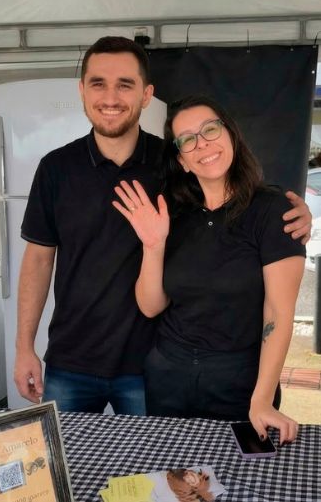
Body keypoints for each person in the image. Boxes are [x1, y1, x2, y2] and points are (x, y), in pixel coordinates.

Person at [13, 37, 312, 415]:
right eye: (98, 83)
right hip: (71, 360)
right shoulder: (56, 169)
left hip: (149, 362)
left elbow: (228, 204)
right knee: (71, 467)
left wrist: (295, 215)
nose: (110, 97)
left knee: (154, 471)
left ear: (146, 95)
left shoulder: (173, 164)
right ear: (82, 91)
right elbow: (38, 260)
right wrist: (24, 347)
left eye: (125, 84)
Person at [113, 95, 304, 444]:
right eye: (187, 139)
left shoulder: (272, 211)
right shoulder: (175, 215)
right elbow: (150, 305)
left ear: (230, 135)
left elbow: (278, 311)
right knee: (175, 483)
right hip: (168, 377)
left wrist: (261, 398)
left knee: (246, 484)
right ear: (183, 160)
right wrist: (153, 246)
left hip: (241, 383)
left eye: (210, 130)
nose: (202, 144)